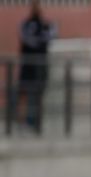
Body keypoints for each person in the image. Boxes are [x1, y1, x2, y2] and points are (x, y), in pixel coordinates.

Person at [18, 0, 56, 134]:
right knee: (24, 93)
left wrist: (40, 40)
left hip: (41, 64)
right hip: (28, 64)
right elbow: (26, 39)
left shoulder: (46, 25)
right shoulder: (26, 24)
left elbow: (51, 37)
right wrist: (37, 41)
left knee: (39, 93)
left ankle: (37, 123)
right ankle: (22, 123)